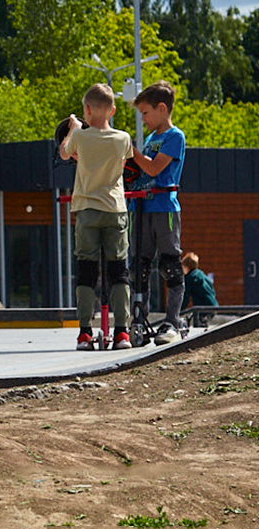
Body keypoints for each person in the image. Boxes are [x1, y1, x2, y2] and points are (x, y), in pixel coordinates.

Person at [58, 84, 135, 351]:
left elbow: (64, 152)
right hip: (115, 209)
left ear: (86, 110)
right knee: (119, 271)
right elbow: (121, 165)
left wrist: (73, 128)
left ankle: (84, 333)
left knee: (87, 271)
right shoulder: (123, 138)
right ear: (113, 110)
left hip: (87, 210)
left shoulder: (80, 136)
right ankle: (123, 332)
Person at [131, 80, 186, 345]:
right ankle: (139, 318)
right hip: (142, 207)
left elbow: (154, 169)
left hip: (164, 208)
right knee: (139, 267)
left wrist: (131, 149)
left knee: (169, 265)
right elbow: (140, 170)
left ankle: (172, 322)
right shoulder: (151, 139)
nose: (143, 119)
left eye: (145, 113)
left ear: (161, 108)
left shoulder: (174, 137)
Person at [181, 252, 217, 325]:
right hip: (213, 305)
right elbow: (211, 288)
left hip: (202, 307)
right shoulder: (201, 274)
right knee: (204, 324)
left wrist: (180, 310)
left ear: (186, 267)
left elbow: (185, 296)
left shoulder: (189, 278)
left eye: (183, 267)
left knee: (200, 326)